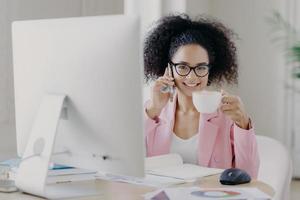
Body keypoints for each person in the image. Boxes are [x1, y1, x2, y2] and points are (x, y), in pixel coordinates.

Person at [143, 14, 259, 178]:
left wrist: (243, 123)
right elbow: (127, 165)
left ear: (210, 69)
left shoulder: (227, 116)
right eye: (183, 67)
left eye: (201, 68)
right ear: (169, 67)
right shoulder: (153, 112)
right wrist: (153, 110)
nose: (192, 77)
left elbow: (249, 176)